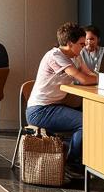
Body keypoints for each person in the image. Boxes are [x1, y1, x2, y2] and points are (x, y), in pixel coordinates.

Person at [25, 22, 98, 180]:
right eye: (81, 43)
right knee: (86, 123)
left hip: (54, 106)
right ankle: (72, 165)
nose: (84, 47)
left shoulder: (76, 56)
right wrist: (103, 80)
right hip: (40, 110)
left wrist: (102, 79)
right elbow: (84, 79)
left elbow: (90, 74)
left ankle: (86, 162)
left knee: (93, 118)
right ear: (70, 44)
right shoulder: (55, 56)